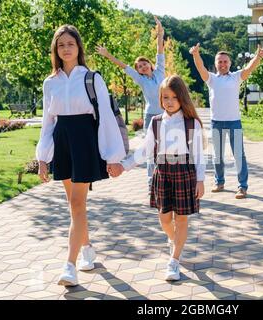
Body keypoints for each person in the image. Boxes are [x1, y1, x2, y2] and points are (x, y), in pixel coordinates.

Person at [36, 25, 126, 287]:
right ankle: (86, 248)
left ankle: (70, 265)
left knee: (77, 204)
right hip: (62, 142)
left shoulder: (92, 78)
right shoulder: (49, 82)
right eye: (61, 44)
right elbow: (47, 121)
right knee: (74, 205)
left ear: (79, 48)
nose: (66, 48)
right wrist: (43, 157)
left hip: (85, 141)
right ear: (55, 49)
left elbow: (106, 118)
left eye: (70, 44)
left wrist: (113, 156)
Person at [111, 75, 205, 281]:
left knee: (181, 219)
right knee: (164, 219)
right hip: (162, 173)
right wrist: (123, 165)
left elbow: (198, 154)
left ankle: (174, 260)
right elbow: (144, 150)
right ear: (160, 99)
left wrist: (200, 180)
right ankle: (174, 240)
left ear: (182, 98)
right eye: (165, 97)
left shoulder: (191, 123)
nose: (169, 101)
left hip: (185, 174)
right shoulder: (155, 122)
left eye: (173, 97)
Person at [96, 16, 165, 193]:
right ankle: (151, 183)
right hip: (151, 116)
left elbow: (159, 51)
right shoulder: (140, 79)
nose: (142, 67)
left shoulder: (160, 71)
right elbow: (123, 66)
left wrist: (160, 34)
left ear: (150, 64)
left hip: (167, 115)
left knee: (166, 150)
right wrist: (107, 54)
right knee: (150, 150)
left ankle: (165, 180)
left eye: (144, 64)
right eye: (139, 66)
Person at [189, 43, 263, 199]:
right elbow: (201, 69)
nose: (223, 64)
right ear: (216, 64)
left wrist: (258, 57)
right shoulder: (211, 79)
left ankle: (242, 186)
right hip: (216, 122)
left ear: (230, 63)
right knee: (217, 155)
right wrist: (196, 55)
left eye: (225, 61)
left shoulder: (236, 77)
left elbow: (249, 69)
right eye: (220, 62)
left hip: (234, 122)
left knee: (239, 155)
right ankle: (219, 182)